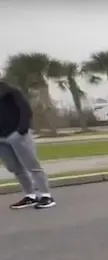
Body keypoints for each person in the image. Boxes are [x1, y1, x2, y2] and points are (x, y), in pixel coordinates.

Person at [0, 80, 55, 209]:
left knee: (32, 165)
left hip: (17, 134)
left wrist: (21, 130)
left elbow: (25, 110)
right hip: (1, 139)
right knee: (14, 168)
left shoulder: (11, 91)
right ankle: (30, 196)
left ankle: (46, 195)